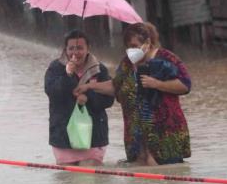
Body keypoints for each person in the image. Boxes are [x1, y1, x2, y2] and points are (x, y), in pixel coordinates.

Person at [78, 22, 191, 166]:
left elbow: (185, 85)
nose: (131, 50)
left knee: (164, 177)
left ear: (148, 42)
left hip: (164, 131)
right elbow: (116, 86)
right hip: (136, 134)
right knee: (141, 178)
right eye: (128, 47)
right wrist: (88, 86)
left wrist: (157, 84)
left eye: (134, 46)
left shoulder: (166, 58)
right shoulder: (127, 63)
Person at [44, 30, 115, 166]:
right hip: (63, 137)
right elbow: (52, 93)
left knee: (91, 182)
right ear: (65, 49)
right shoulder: (56, 68)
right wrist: (67, 75)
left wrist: (88, 98)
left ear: (88, 49)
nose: (75, 52)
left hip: (94, 137)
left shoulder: (99, 69)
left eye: (80, 48)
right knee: (66, 182)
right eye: (71, 48)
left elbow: (108, 100)